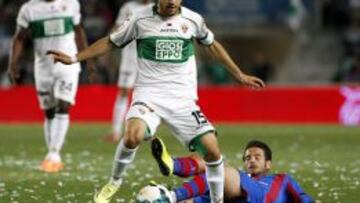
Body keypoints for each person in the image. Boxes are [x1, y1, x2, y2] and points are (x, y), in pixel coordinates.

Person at [48, 0, 265, 202]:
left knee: (212, 151)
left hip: (183, 100)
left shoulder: (193, 20)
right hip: (149, 95)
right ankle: (114, 182)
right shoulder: (139, 19)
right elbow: (110, 42)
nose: (172, 2)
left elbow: (213, 45)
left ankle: (217, 200)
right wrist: (75, 58)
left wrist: (239, 75)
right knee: (132, 136)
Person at [8, 0, 95, 173]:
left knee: (64, 105)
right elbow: (19, 38)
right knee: (49, 111)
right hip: (43, 67)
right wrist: (13, 64)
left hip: (67, 65)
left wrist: (88, 59)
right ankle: (52, 153)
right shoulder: (29, 9)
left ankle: (54, 155)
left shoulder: (71, 4)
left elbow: (79, 32)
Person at [151, 138, 314, 203]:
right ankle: (172, 165)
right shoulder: (238, 181)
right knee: (210, 162)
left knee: (218, 168)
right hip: (230, 198)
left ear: (268, 164)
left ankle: (171, 195)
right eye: (248, 157)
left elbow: (305, 200)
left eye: (257, 157)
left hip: (260, 197)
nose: (251, 160)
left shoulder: (282, 179)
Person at [104, 0, 152, 143]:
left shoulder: (155, 8)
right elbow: (117, 28)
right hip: (129, 59)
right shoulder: (128, 7)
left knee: (148, 95)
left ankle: (147, 131)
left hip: (149, 59)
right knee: (124, 93)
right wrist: (108, 45)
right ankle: (116, 131)